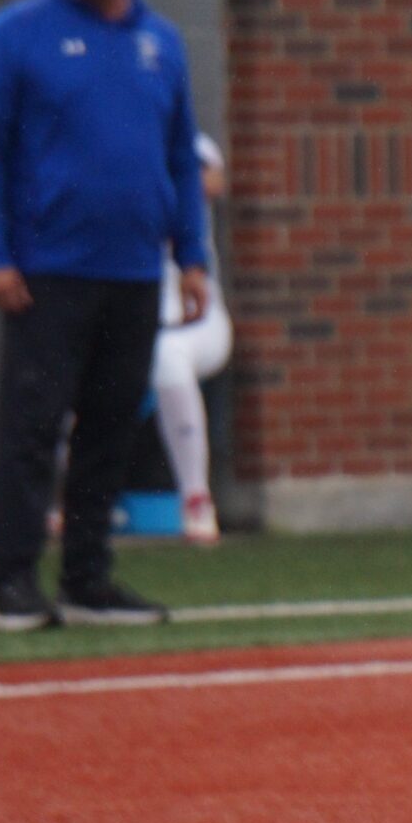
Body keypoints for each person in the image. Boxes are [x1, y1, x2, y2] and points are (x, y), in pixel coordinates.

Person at [0, 0, 207, 629]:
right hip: (48, 271)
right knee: (34, 428)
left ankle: (88, 577)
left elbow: (179, 157)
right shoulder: (18, 31)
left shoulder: (160, 44)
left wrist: (191, 256)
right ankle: (11, 579)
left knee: (108, 428)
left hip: (134, 269)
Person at [152, 134, 233, 545]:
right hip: (126, 316)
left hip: (195, 319)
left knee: (169, 357)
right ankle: (66, 500)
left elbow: (210, 182)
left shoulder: (189, 145)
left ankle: (196, 497)